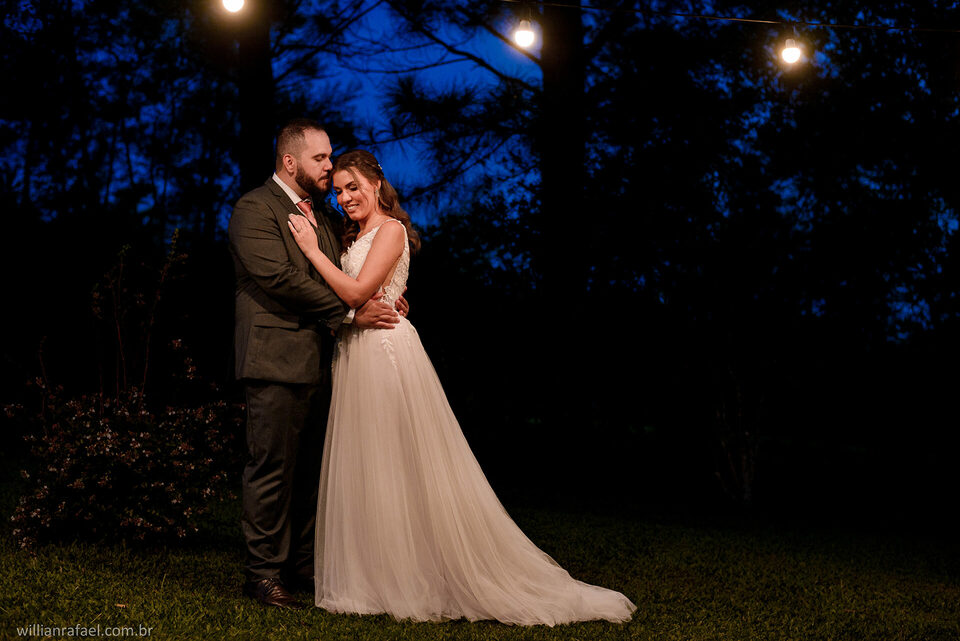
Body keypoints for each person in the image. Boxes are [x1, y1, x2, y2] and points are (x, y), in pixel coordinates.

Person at [286, 149, 637, 625]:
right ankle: (377, 576)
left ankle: (417, 574)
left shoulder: (389, 230)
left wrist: (309, 250)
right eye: (339, 189)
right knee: (370, 465)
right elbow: (356, 295)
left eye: (354, 187)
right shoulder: (358, 234)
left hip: (385, 356)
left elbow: (352, 293)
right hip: (356, 352)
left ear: (376, 182)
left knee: (398, 464)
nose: (346, 197)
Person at [228, 120, 408, 609]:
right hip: (276, 359)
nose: (330, 167)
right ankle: (263, 574)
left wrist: (385, 295)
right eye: (321, 159)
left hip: (329, 362)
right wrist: (352, 311)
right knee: (272, 468)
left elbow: (347, 269)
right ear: (291, 162)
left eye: (331, 159)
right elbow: (279, 278)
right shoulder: (254, 208)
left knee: (313, 470)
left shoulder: (324, 219)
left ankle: (301, 563)